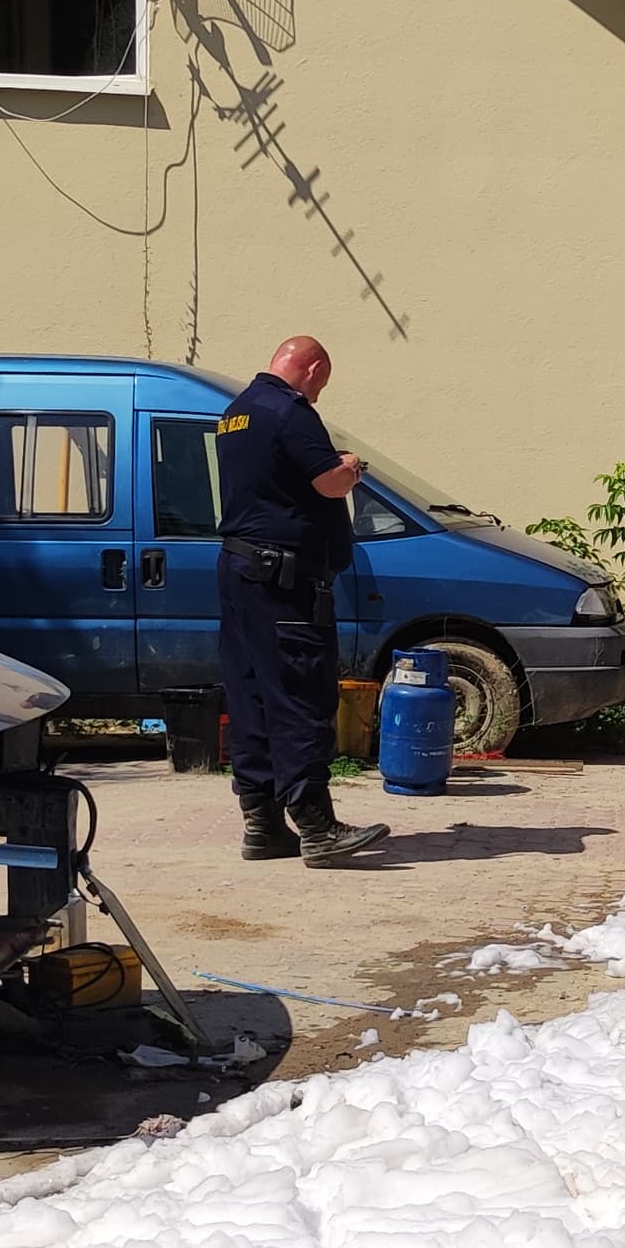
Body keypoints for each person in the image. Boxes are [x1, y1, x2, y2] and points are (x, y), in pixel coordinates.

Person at [214, 335, 389, 865]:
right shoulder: (291, 413)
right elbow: (330, 483)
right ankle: (317, 827)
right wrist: (352, 465)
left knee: (252, 697)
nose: (318, 396)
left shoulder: (236, 413)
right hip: (284, 582)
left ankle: (263, 826)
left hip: (242, 572)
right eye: (321, 384)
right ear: (311, 369)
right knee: (299, 695)